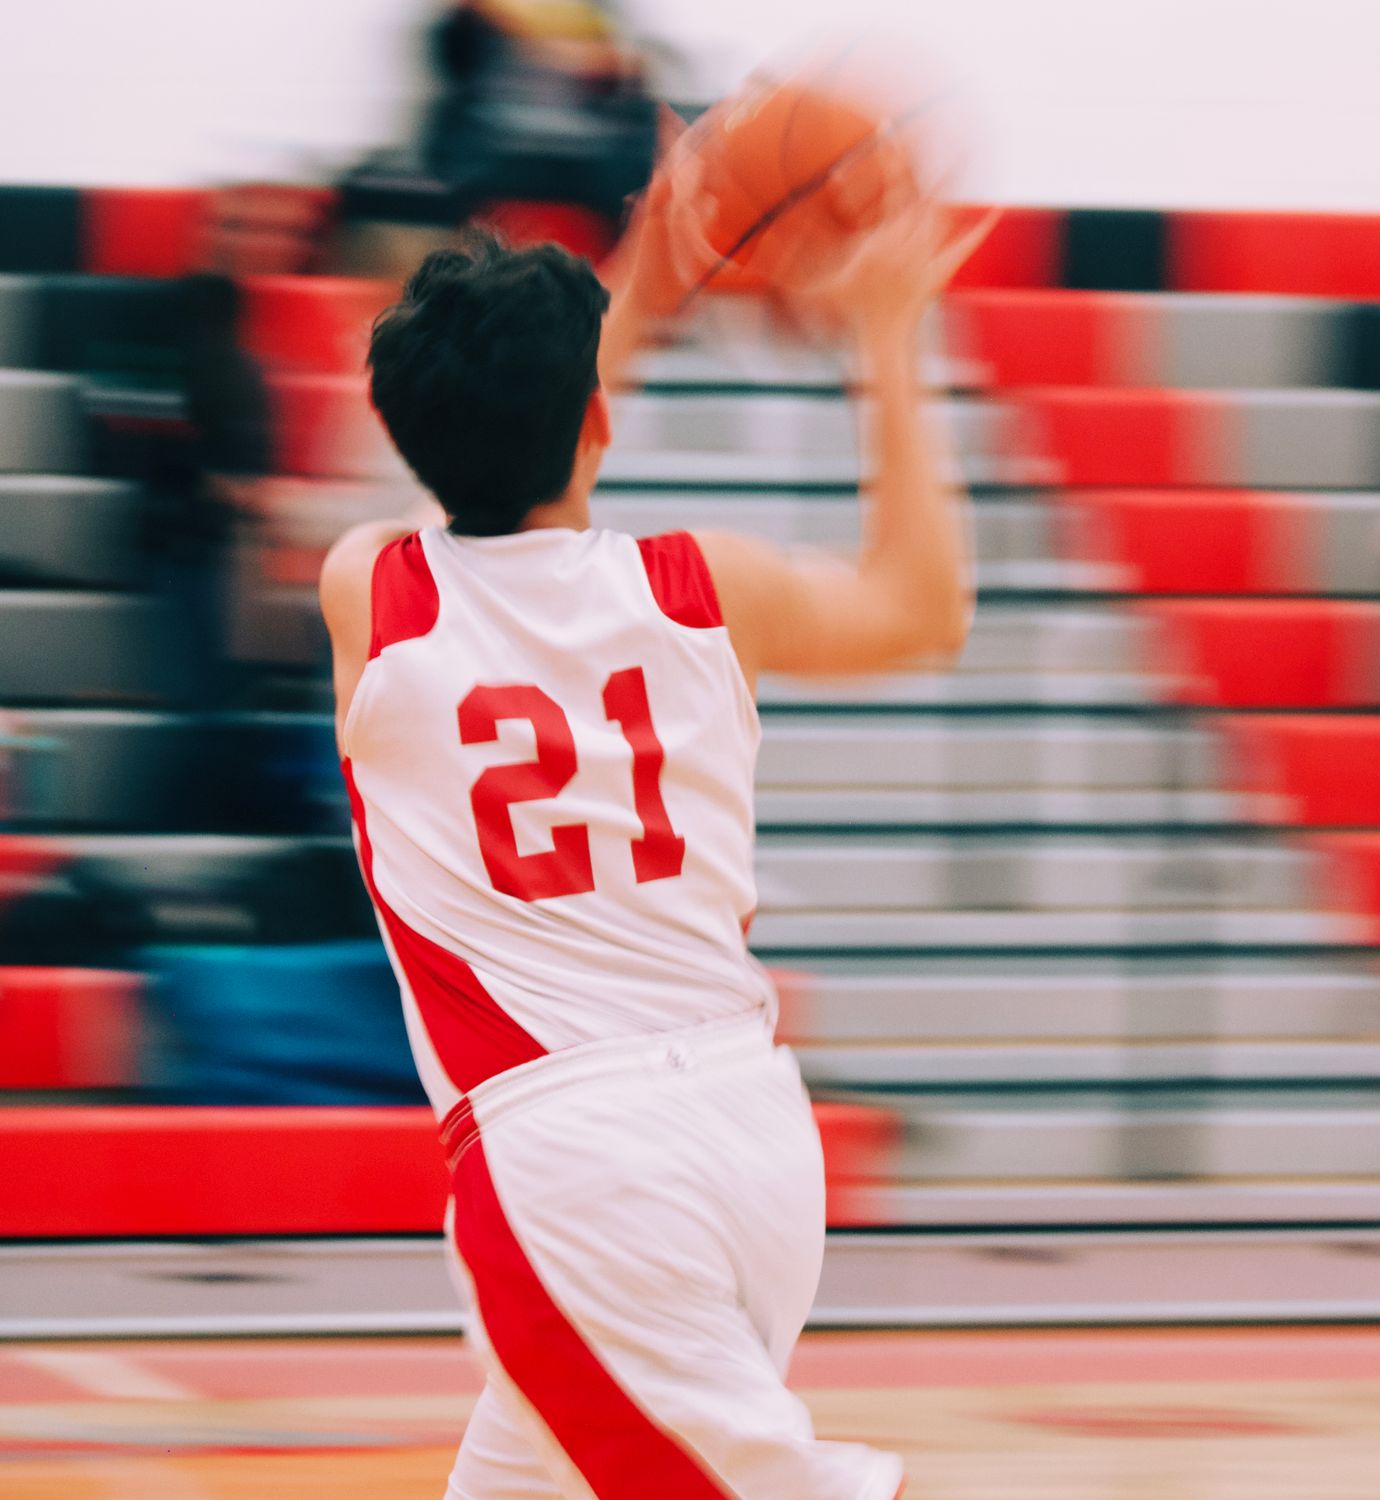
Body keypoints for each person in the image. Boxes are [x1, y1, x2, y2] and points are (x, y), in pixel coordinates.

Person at [318, 141, 981, 1498]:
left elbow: (486, 435)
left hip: (574, 1169)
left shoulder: (375, 595)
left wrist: (649, 282)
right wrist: (890, 334)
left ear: (401, 427)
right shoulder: (704, 587)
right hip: (751, 1133)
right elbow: (924, 606)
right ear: (602, 418)